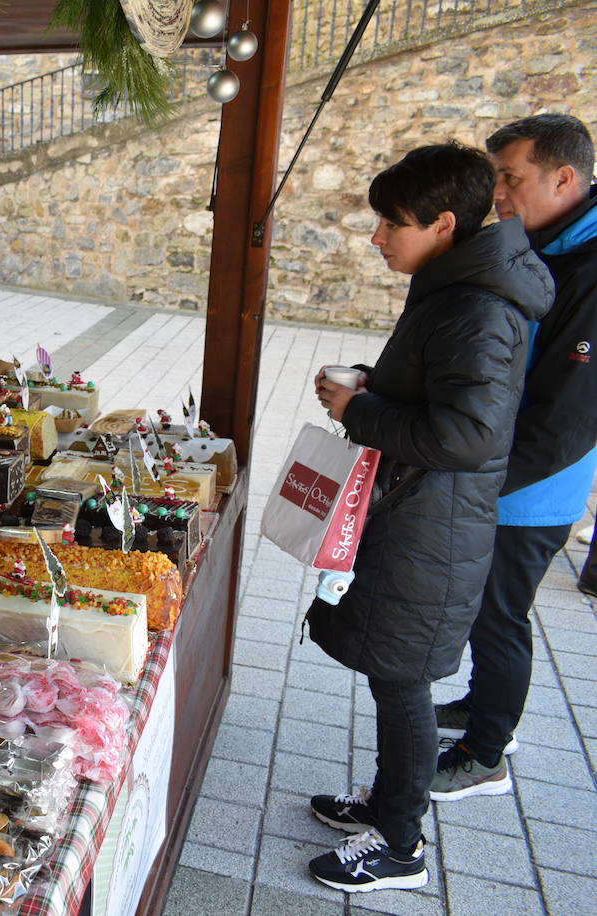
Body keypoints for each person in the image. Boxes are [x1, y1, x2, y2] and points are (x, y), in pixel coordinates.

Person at [302, 142, 552, 892]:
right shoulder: (456, 286)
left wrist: (362, 408)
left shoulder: (478, 306)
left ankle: (401, 842)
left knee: (402, 678)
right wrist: (378, 387)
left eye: (391, 224)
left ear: (444, 224)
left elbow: (468, 434)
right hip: (418, 515)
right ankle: (385, 801)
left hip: (432, 526)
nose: (378, 238)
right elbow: (447, 399)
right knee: (392, 671)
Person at [431, 114, 597, 797]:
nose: (498, 193)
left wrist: (481, 478)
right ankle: (481, 707)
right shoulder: (545, 242)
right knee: (481, 606)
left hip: (530, 487)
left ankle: (486, 752)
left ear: (563, 178)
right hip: (494, 470)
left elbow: (566, 420)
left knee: (498, 613)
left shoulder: (589, 267)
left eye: (511, 177)